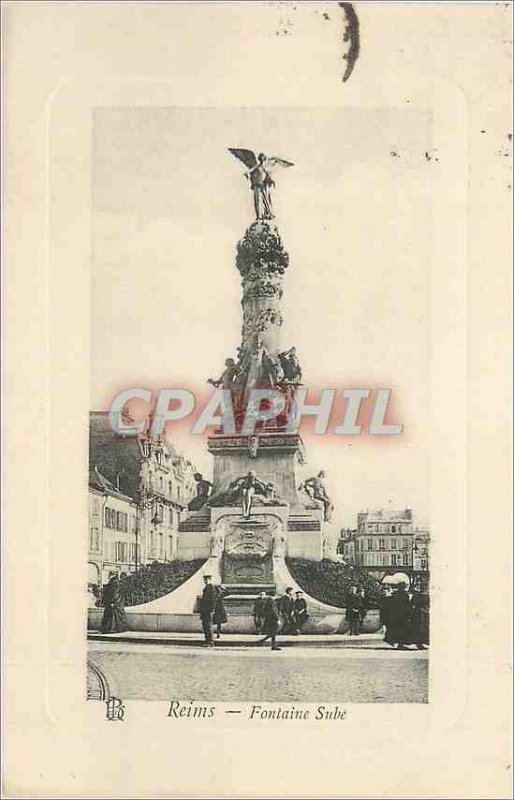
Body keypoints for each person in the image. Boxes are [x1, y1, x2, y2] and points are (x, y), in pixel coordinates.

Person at [385, 582, 412, 649]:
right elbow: (407, 605)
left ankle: (395, 642)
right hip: (403, 614)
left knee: (396, 629)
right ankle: (400, 644)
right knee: (403, 629)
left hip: (396, 615)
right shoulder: (405, 595)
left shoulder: (395, 594)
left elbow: (391, 605)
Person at [199, 574, 217, 646]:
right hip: (205, 610)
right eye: (204, 580)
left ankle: (210, 641)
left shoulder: (210, 587)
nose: (205, 581)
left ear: (210, 579)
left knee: (208, 626)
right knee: (206, 626)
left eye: (206, 580)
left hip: (208, 610)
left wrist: (212, 609)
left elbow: (212, 600)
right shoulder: (207, 587)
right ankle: (208, 641)